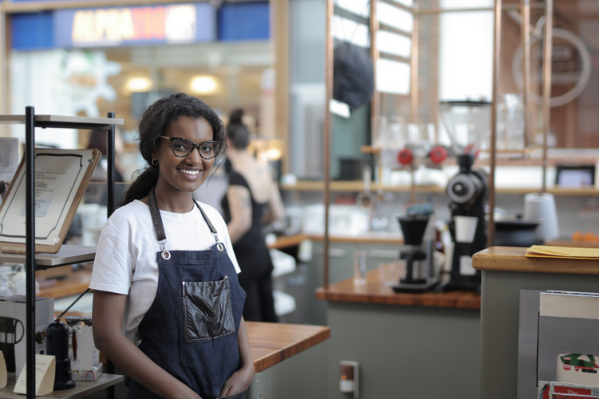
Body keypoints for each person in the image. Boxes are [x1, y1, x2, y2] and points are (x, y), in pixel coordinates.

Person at [90, 93, 254, 399]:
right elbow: (106, 336)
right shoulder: (125, 224)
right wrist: (180, 395)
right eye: (181, 145)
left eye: (206, 148)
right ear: (155, 149)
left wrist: (248, 367)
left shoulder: (214, 221)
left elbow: (232, 309)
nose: (195, 159)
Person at [220, 109, 284, 323]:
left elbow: (241, 223)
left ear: (227, 143)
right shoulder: (263, 170)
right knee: (270, 320)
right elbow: (277, 213)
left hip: (244, 257)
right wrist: (258, 225)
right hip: (262, 253)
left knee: (252, 325)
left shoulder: (237, 176)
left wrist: (215, 244)